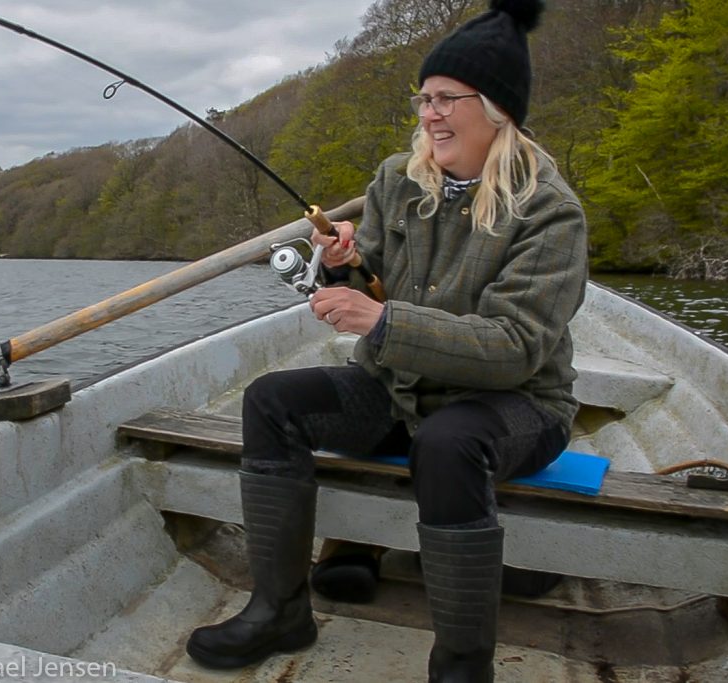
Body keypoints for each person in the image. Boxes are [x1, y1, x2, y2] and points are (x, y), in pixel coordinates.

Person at [185, 1, 587, 680]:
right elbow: (373, 275)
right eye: (423, 98)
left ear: (498, 110)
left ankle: (462, 666)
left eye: (446, 99)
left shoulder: (550, 210)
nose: (429, 114)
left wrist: (382, 322)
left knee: (448, 441)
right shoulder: (396, 179)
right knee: (270, 400)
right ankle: (280, 610)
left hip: (517, 405)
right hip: (400, 390)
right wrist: (345, 262)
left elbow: (516, 345)